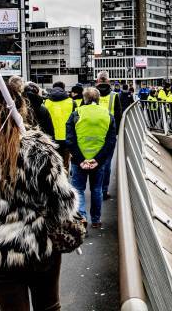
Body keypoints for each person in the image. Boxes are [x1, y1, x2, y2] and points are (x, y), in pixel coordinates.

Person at [0, 83, 78, 311]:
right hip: (39, 244)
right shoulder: (39, 148)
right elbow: (63, 203)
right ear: (20, 108)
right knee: (49, 307)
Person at [66, 87, 117, 229]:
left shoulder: (76, 114)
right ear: (98, 99)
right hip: (98, 162)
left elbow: (70, 140)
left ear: (84, 99)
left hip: (79, 161)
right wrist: (98, 160)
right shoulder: (107, 115)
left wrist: (81, 159)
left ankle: (82, 217)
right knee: (96, 189)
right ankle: (96, 219)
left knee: (79, 190)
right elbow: (111, 141)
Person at [96, 71, 122, 201]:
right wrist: (116, 133)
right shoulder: (114, 96)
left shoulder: (92, 94)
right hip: (109, 135)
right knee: (106, 163)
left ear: (97, 81)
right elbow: (119, 116)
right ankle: (103, 190)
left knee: (94, 161)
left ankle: (96, 189)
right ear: (108, 82)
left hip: (94, 134)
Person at [44, 81, 76, 167]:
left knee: (53, 164)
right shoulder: (71, 102)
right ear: (63, 89)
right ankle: (65, 178)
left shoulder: (45, 102)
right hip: (67, 137)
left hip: (51, 139)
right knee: (65, 163)